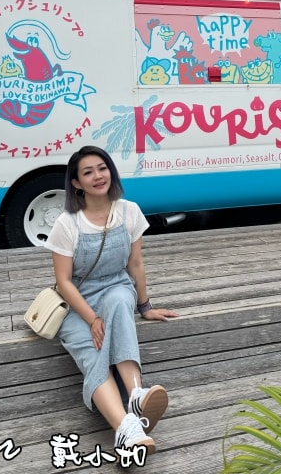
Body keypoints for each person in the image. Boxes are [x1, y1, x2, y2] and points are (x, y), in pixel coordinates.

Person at [44, 145, 178, 457]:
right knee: (93, 352)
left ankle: (136, 394)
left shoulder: (129, 211)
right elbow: (64, 281)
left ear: (111, 172)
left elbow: (135, 265)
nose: (97, 176)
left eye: (102, 168)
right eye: (87, 172)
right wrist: (91, 319)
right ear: (76, 183)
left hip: (116, 287)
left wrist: (144, 307)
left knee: (119, 300)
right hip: (78, 301)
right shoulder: (67, 223)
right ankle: (126, 430)